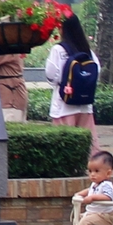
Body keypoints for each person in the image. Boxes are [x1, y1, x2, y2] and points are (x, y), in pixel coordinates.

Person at [44, 13, 101, 151]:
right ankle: (93, 169)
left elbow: (51, 75)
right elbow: (96, 71)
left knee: (64, 145)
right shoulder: (87, 51)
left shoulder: (59, 50)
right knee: (88, 146)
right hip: (85, 106)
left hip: (64, 104)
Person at [61, 150, 113, 225]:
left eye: (97, 171)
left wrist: (92, 198)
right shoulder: (95, 184)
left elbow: (108, 197)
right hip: (95, 214)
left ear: (108, 173)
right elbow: (89, 190)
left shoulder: (106, 185)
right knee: (77, 218)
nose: (92, 174)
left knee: (85, 221)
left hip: (105, 217)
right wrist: (80, 194)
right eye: (90, 171)